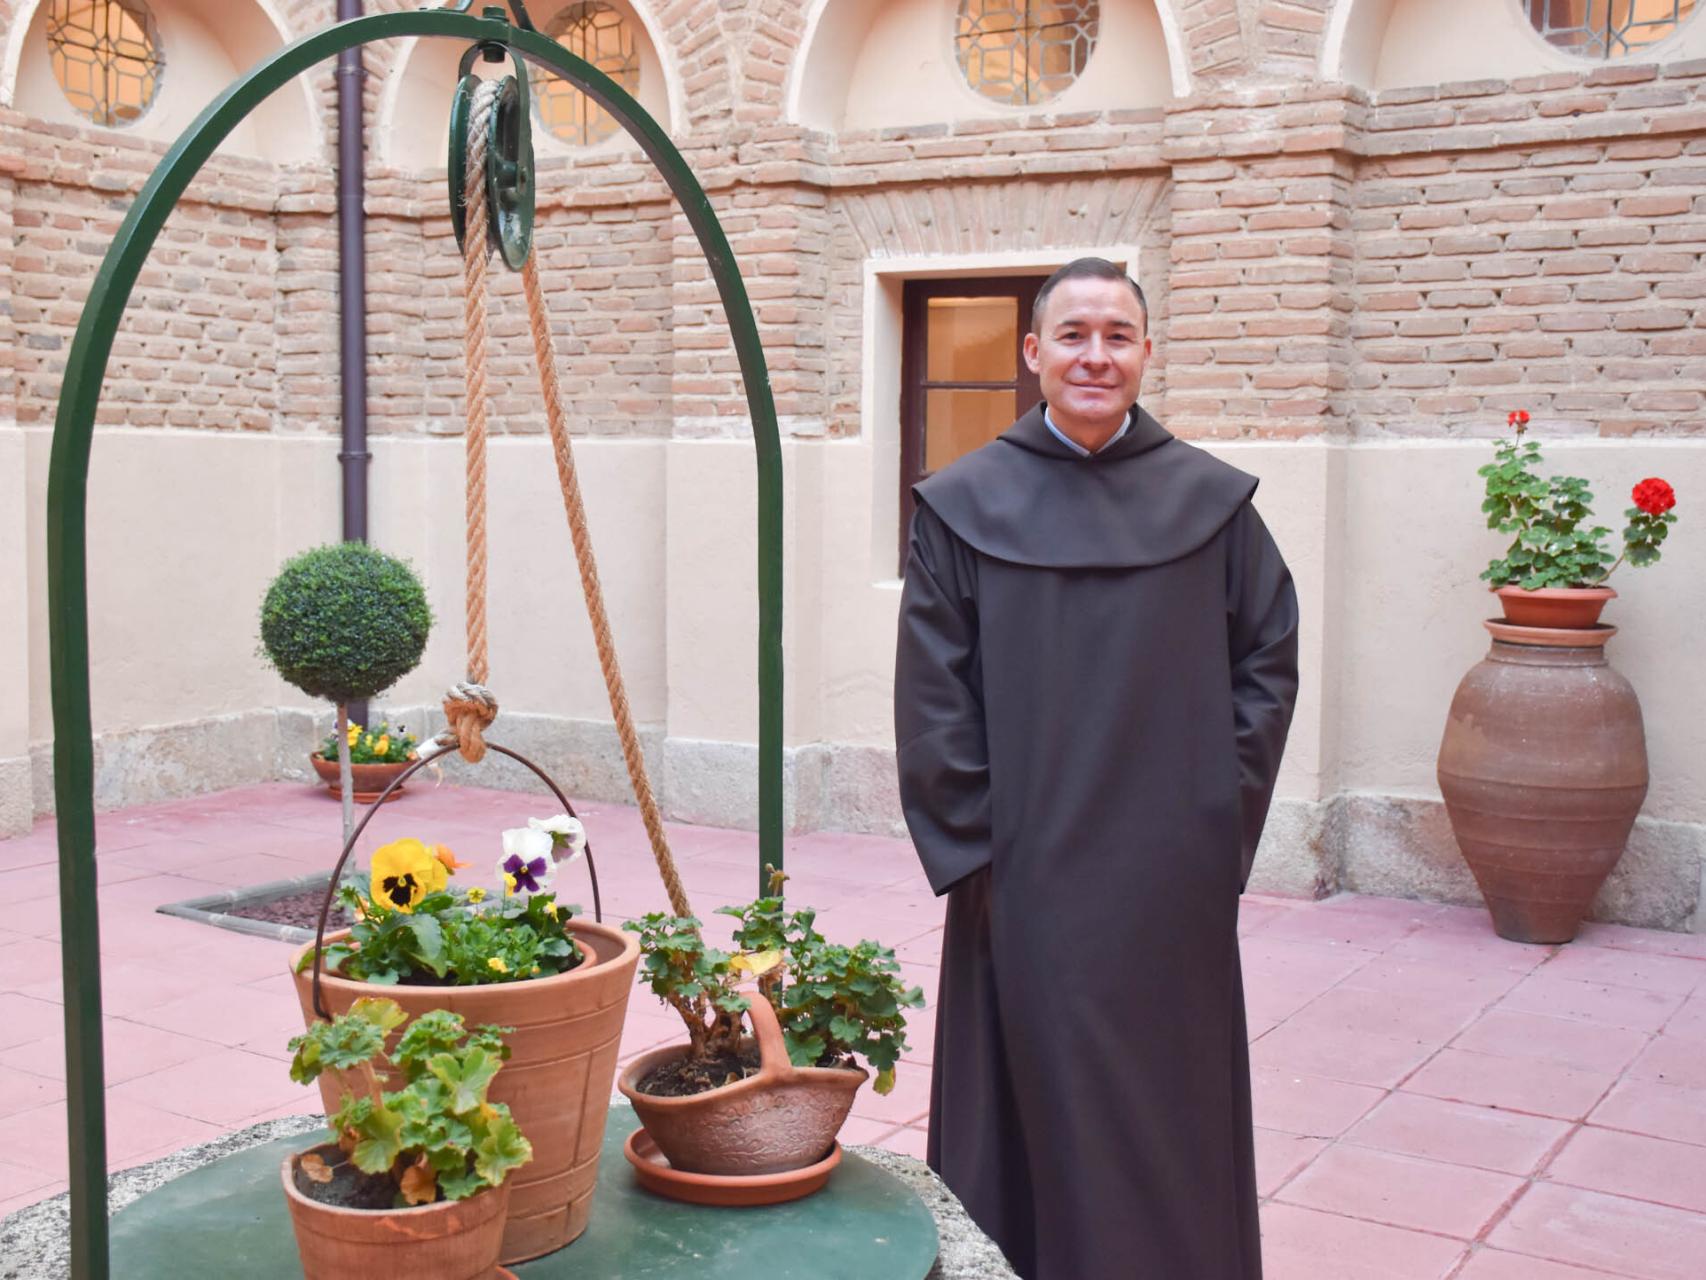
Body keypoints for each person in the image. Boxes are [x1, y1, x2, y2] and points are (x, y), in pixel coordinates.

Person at [893, 257, 1298, 1279]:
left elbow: (1266, 655)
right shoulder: (961, 505)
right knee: (1033, 1112)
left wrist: (1214, 813)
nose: (1094, 354)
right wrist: (980, 844)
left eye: (1117, 335)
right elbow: (932, 695)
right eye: (1072, 334)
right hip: (1021, 875)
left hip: (1168, 878)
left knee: (1169, 1109)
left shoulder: (1210, 504)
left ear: (1145, 353)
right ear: (1031, 354)